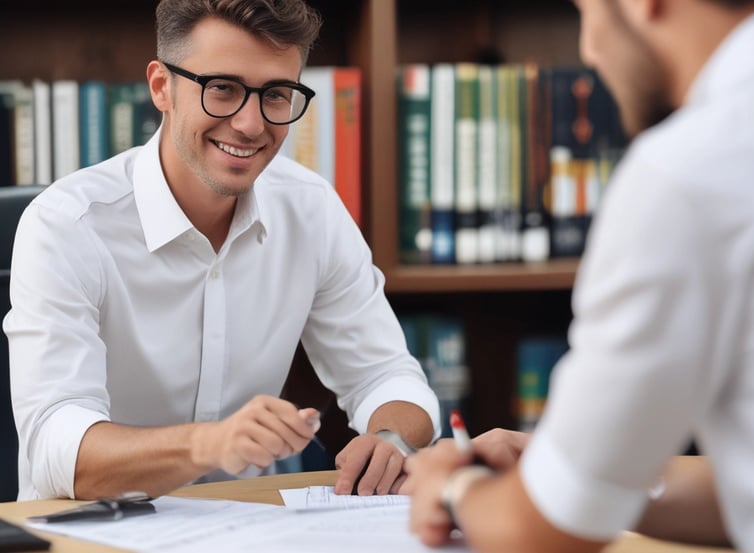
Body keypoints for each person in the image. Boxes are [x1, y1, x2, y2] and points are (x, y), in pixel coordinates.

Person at [3, 0, 440, 501]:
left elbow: (388, 376)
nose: (251, 125)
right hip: (89, 533)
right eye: (223, 89)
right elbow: (57, 451)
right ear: (161, 87)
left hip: (248, 530)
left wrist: (389, 438)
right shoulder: (68, 225)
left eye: (276, 94)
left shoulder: (311, 210)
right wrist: (208, 445)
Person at [404, 0, 754, 551]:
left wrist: (457, 486)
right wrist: (585, 477)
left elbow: (542, 536)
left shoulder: (686, 172)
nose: (589, 49)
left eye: (587, 12)